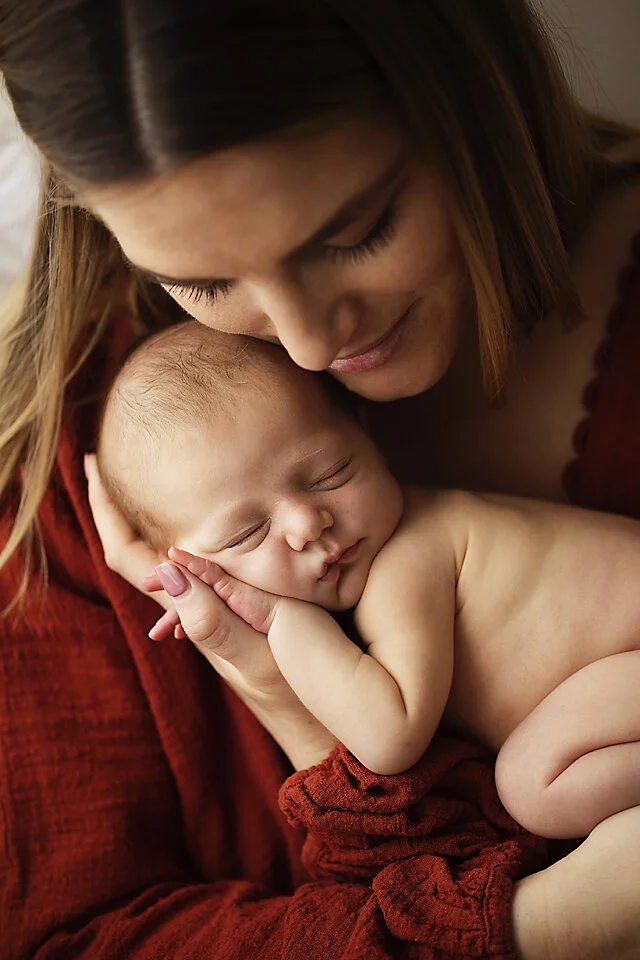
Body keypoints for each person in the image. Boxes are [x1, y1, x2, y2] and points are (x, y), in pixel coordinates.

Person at [1, 1, 640, 957]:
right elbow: (71, 936)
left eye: (356, 229)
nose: (308, 343)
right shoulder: (75, 446)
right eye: (205, 285)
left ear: (465, 96)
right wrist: (539, 926)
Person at [98, 319, 640, 843]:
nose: (308, 524)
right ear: (196, 571)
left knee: (532, 786)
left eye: (329, 474)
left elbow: (389, 738)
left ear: (370, 438)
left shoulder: (410, 558)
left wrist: (283, 620)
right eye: (246, 533)